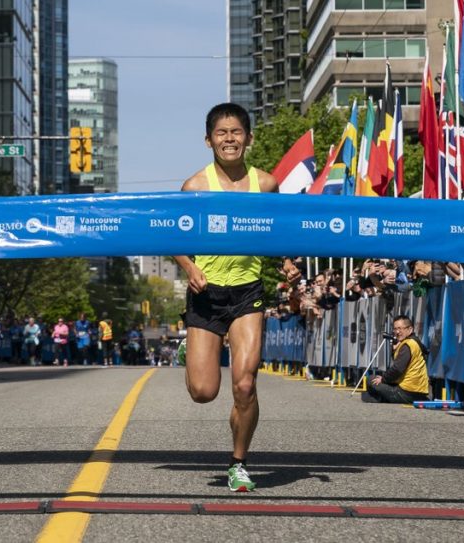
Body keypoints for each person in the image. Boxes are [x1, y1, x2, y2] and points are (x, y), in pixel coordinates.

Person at [174, 102, 278, 492]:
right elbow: (175, 234)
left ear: (248, 138)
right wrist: (189, 267)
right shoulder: (195, 187)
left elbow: (279, 229)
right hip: (206, 295)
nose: (229, 139)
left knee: (245, 386)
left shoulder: (266, 184)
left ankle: (239, 462)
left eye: (236, 132)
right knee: (203, 392)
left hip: (247, 292)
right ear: (208, 140)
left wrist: (283, 260)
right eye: (222, 133)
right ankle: (193, 350)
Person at [362, 316, 430, 404]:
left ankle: (379, 398)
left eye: (400, 328)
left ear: (410, 329)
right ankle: (380, 397)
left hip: (407, 392)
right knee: (375, 385)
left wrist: (383, 379)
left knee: (371, 379)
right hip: (417, 390)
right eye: (395, 329)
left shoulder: (408, 345)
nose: (397, 332)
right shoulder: (414, 342)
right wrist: (394, 350)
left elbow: (397, 369)